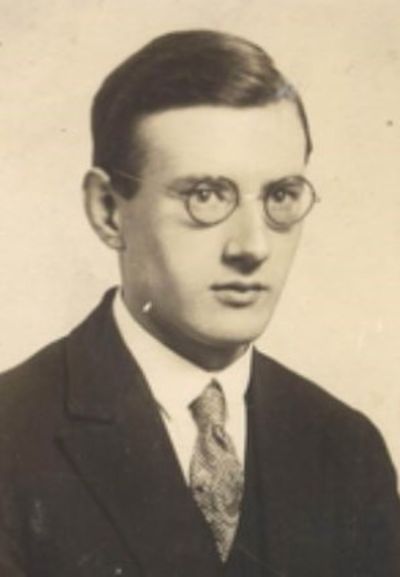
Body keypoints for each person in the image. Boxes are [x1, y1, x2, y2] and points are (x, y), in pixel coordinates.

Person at [0, 29, 399, 577]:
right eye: (205, 195)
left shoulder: (347, 448)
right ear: (108, 211)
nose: (253, 247)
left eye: (280, 195)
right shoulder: (11, 434)